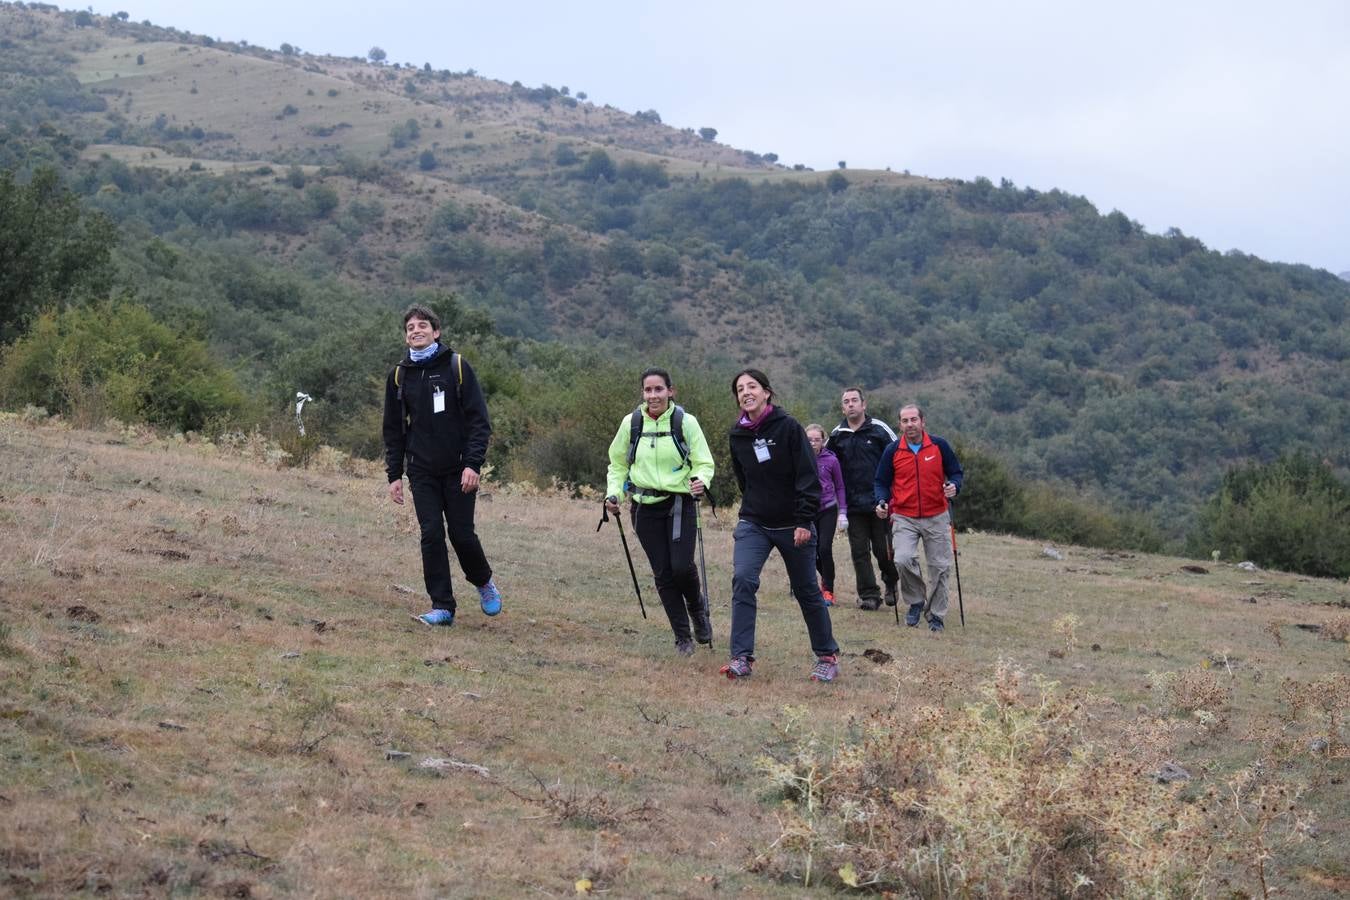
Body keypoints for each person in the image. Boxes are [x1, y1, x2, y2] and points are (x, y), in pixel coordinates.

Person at [383, 304, 502, 626]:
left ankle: (483, 582)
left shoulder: (456, 366)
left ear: (436, 332)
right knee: (431, 534)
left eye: (423, 325)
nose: (416, 330)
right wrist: (394, 474)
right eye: (410, 327)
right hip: (421, 470)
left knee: (462, 535)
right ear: (406, 336)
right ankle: (443, 607)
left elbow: (480, 422)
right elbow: (393, 429)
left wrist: (473, 464)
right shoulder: (399, 376)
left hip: (459, 467)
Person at [722, 369, 840, 682]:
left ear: (767, 392)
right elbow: (743, 479)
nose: (746, 392)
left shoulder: (788, 428)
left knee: (805, 590)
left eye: (752, 387)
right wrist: (755, 507)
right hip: (754, 523)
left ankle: (827, 656)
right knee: (743, 580)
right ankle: (741, 658)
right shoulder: (738, 435)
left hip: (793, 525)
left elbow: (807, 476)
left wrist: (804, 520)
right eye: (740, 389)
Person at [605, 368, 716, 657]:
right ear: (642, 393)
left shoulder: (685, 422)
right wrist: (613, 493)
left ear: (671, 391)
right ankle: (682, 637)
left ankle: (697, 608)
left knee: (681, 567)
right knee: (663, 574)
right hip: (643, 507)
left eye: (658, 390)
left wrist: (700, 481)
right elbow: (617, 464)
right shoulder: (632, 424)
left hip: (680, 503)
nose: (653, 395)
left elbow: (704, 462)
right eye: (648, 390)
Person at [872, 404, 964, 632]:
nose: (910, 424)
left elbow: (956, 472)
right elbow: (881, 482)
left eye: (914, 419)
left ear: (923, 422)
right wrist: (881, 501)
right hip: (904, 516)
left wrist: (954, 485)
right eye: (905, 421)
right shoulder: (893, 451)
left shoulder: (939, 445)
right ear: (900, 425)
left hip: (937, 514)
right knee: (902, 559)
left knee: (940, 567)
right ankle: (915, 601)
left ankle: (936, 616)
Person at [827, 387, 900, 610]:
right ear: (843, 407)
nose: (850, 404)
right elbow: (826, 463)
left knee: (883, 549)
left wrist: (893, 495)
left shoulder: (879, 429)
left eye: (854, 400)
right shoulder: (837, 434)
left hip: (880, 502)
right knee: (859, 552)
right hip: (852, 505)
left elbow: (899, 456)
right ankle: (869, 595)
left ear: (863, 404)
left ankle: (891, 581)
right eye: (846, 402)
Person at [805, 424, 846, 606]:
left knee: (824, 549)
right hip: (807, 509)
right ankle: (819, 583)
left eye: (817, 439)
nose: (813, 443)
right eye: (809, 440)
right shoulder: (799, 458)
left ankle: (828, 590)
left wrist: (843, 512)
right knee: (810, 551)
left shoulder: (831, 460)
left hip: (828, 509)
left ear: (823, 441)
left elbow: (840, 486)